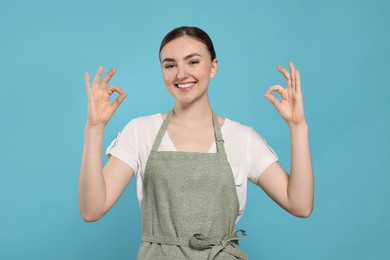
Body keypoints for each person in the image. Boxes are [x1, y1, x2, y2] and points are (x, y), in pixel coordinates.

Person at [79, 26, 314, 260]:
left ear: (213, 67)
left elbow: (300, 205)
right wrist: (94, 129)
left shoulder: (242, 138)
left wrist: (298, 127)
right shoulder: (141, 131)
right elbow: (92, 209)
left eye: (192, 62)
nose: (181, 74)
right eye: (170, 65)